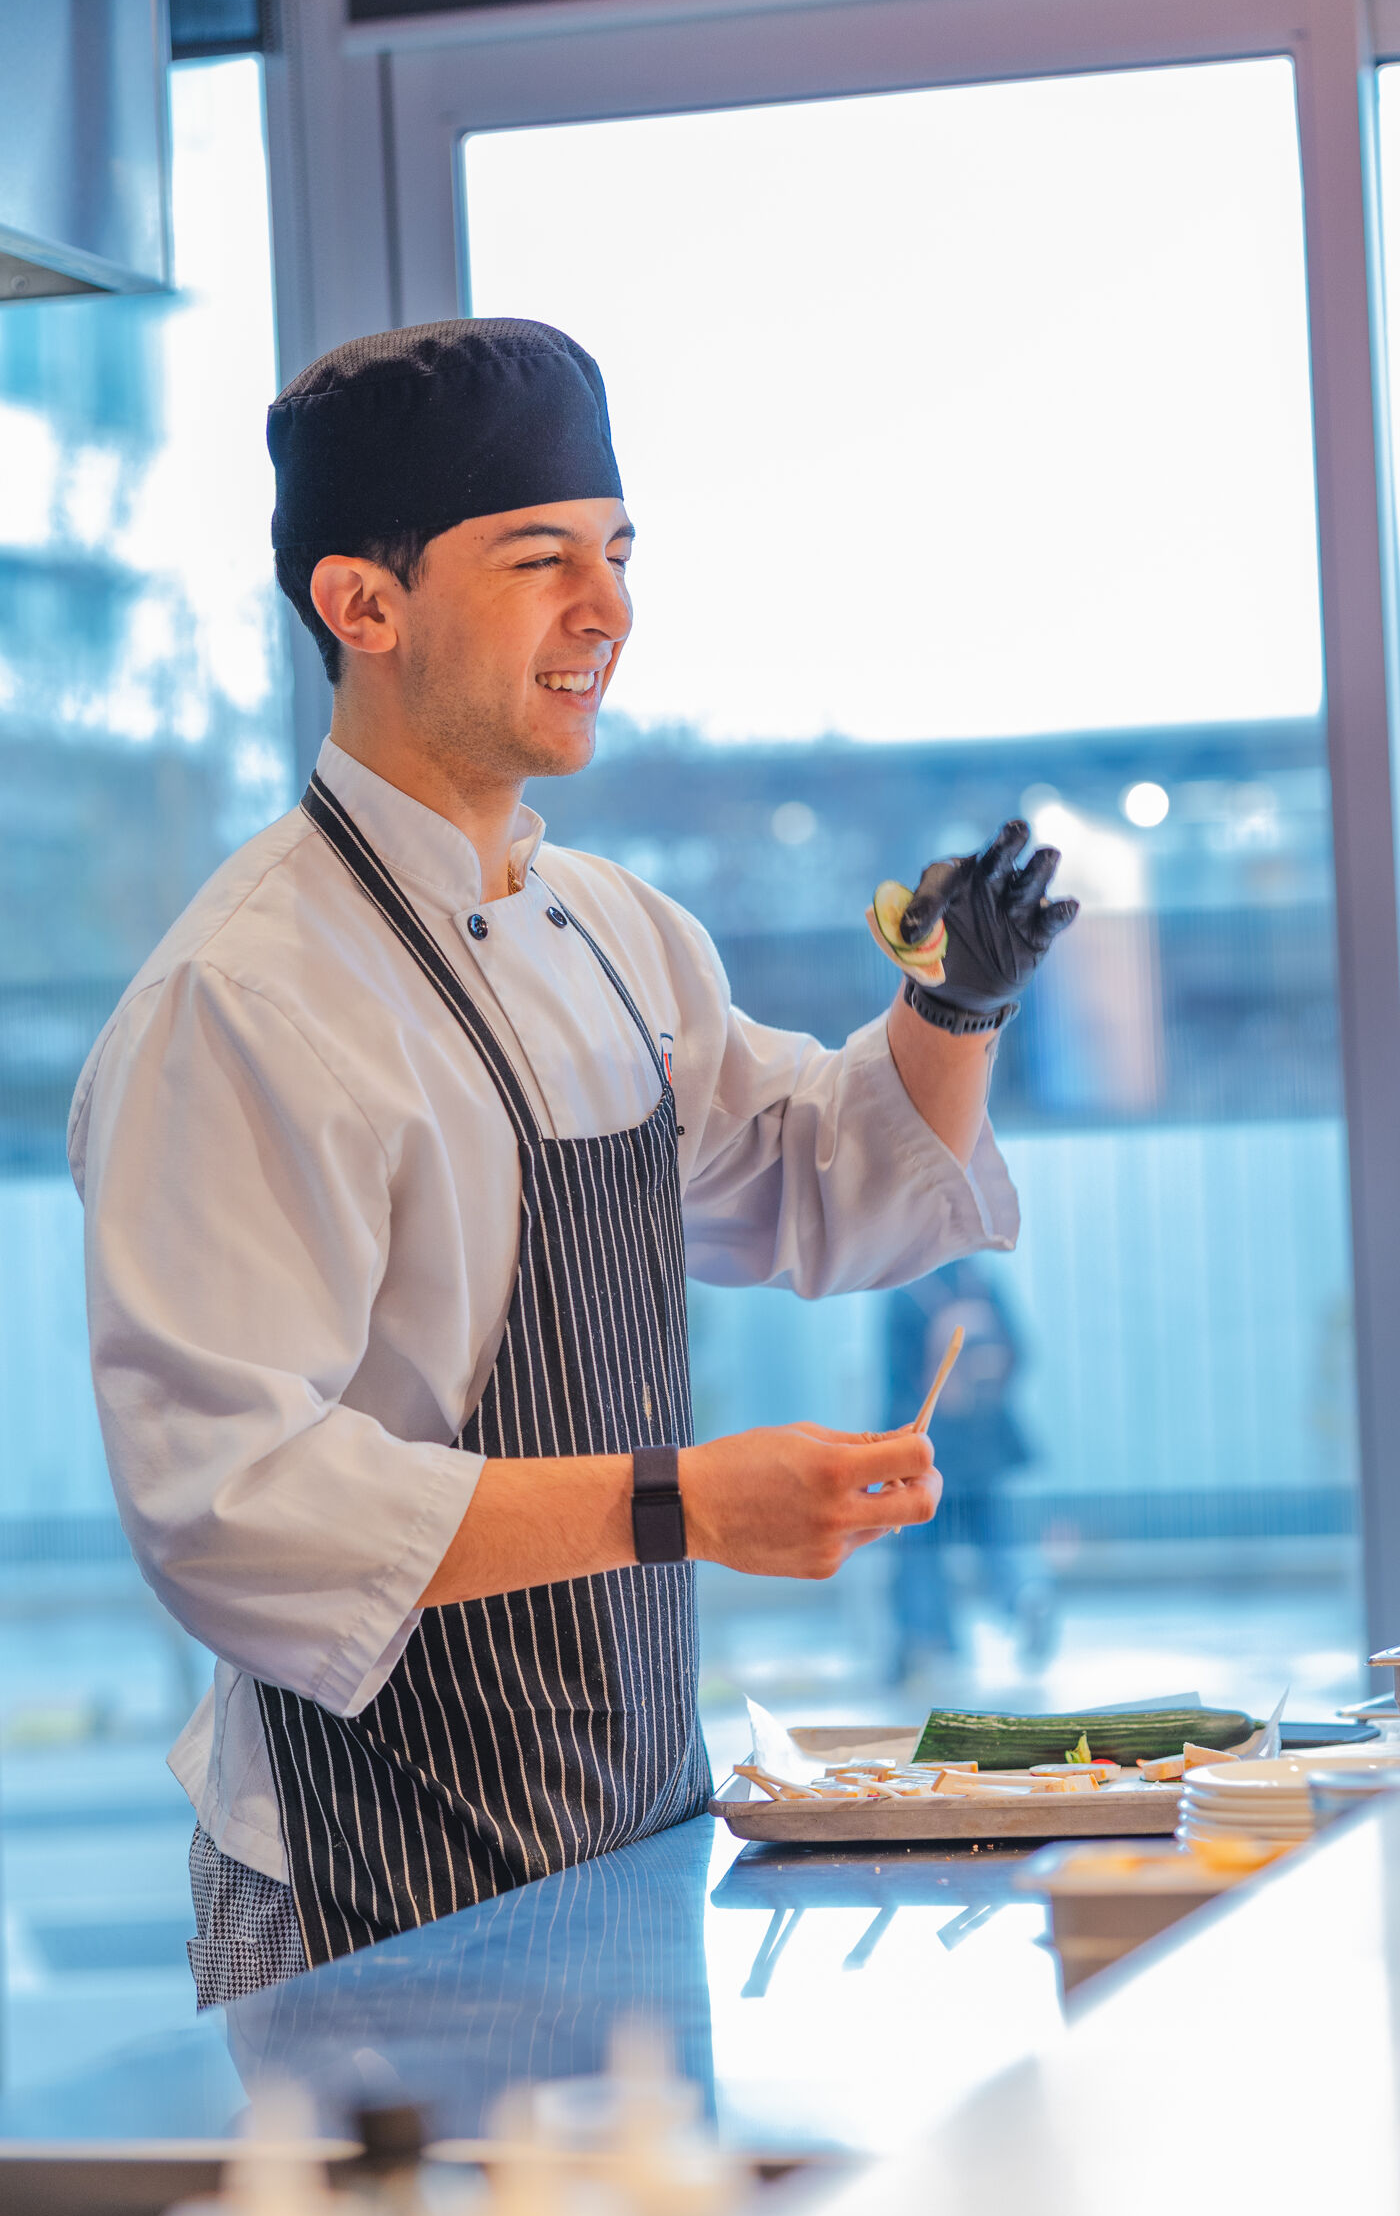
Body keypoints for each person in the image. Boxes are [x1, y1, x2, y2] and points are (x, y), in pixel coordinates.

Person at [67, 319, 1076, 2005]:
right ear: (361, 603)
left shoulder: (610, 931)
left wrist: (951, 1003)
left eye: (615, 555)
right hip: (356, 1875)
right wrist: (680, 1500)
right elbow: (231, 1506)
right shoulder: (235, 998)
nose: (605, 610)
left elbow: (814, 1173)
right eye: (540, 560)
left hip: (621, 1832)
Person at [884, 1261, 1052, 1684]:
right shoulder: (979, 1283)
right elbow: (1020, 1351)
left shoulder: (902, 1294)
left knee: (920, 1545)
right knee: (996, 1536)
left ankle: (928, 1639)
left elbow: (897, 1381)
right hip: (984, 1442)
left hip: (931, 1449)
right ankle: (1024, 1595)